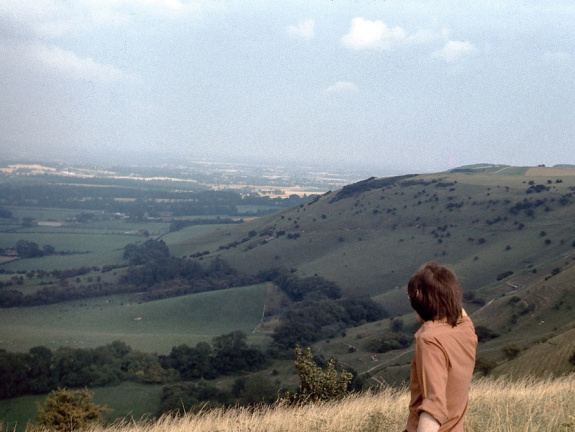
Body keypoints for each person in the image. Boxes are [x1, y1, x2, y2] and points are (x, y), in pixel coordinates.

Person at [403, 262, 477, 432]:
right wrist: (440, 284)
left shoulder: (430, 341)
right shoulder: (466, 330)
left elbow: (434, 408)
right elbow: (459, 310)